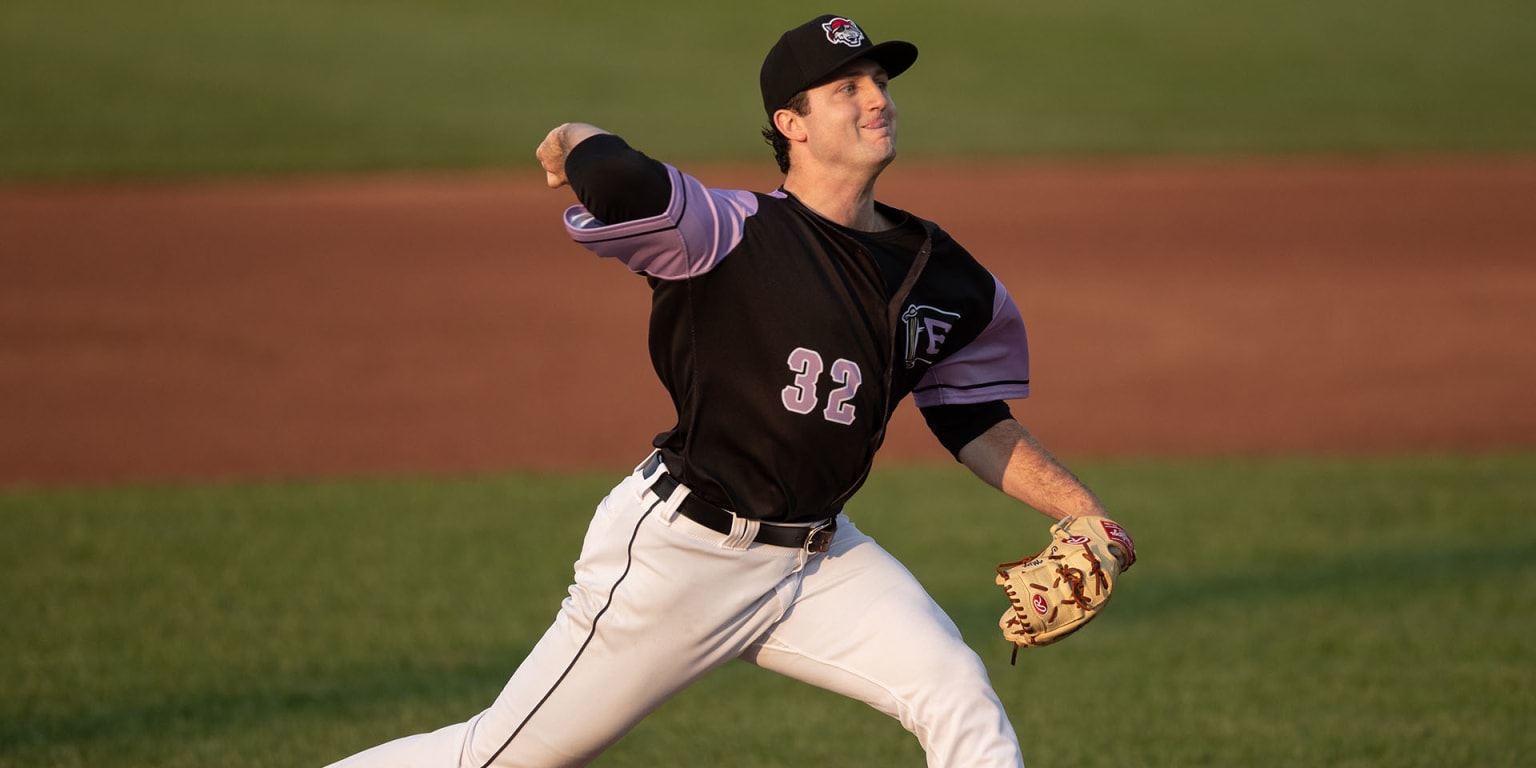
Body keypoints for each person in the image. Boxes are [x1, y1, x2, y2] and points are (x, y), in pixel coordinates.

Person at [326, 14, 1123, 768]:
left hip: (819, 559)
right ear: (792, 123)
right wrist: (576, 137)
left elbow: (973, 418)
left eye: (880, 80)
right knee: (504, 756)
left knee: (958, 694)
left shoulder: (945, 274)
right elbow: (619, 179)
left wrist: (1082, 514)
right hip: (682, 557)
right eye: (847, 88)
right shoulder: (730, 232)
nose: (877, 99)